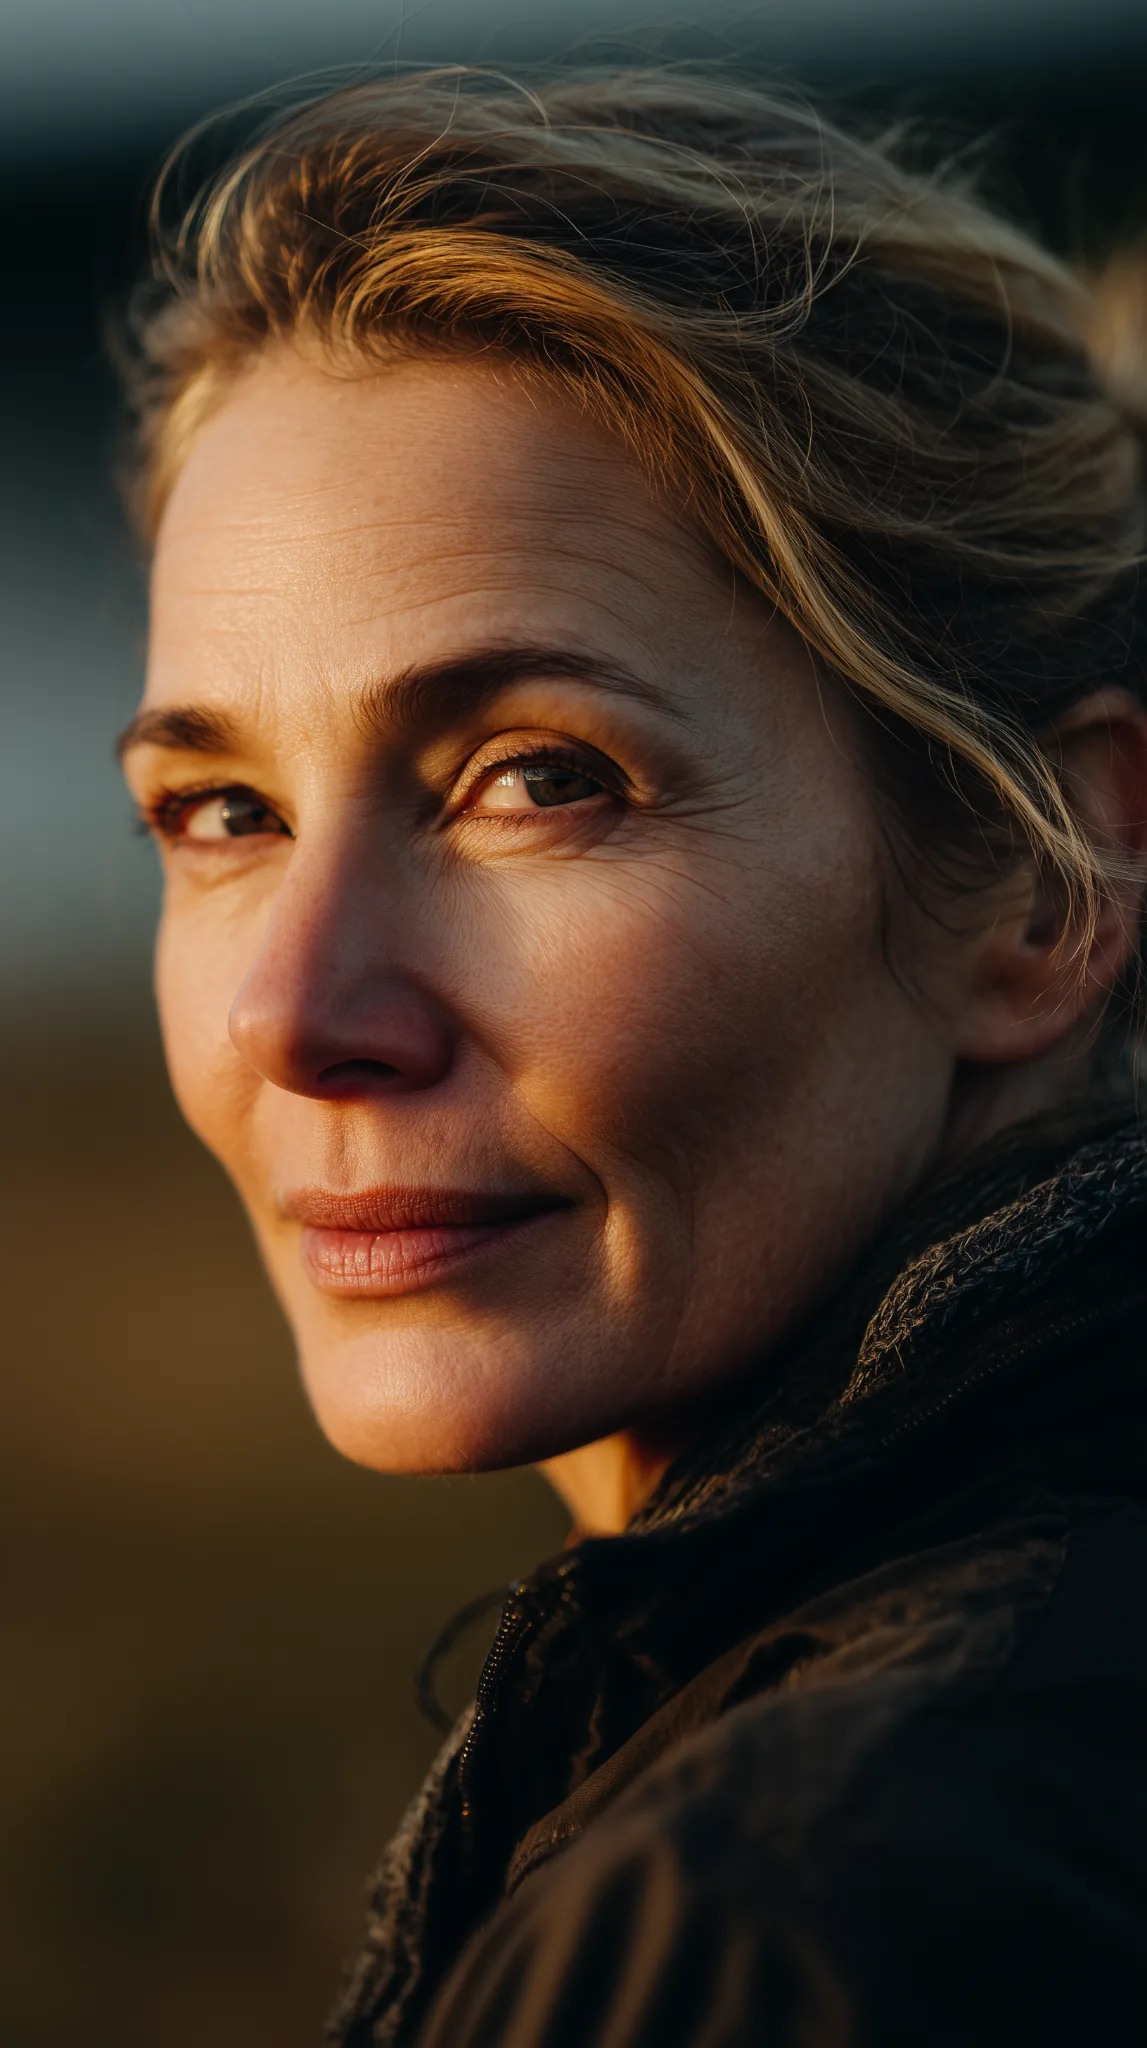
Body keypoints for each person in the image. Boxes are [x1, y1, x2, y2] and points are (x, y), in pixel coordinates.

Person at [116, 66, 1147, 2046]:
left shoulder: (797, 1914)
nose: (300, 1017)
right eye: (221, 813)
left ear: (1047, 875)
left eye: (540, 781)